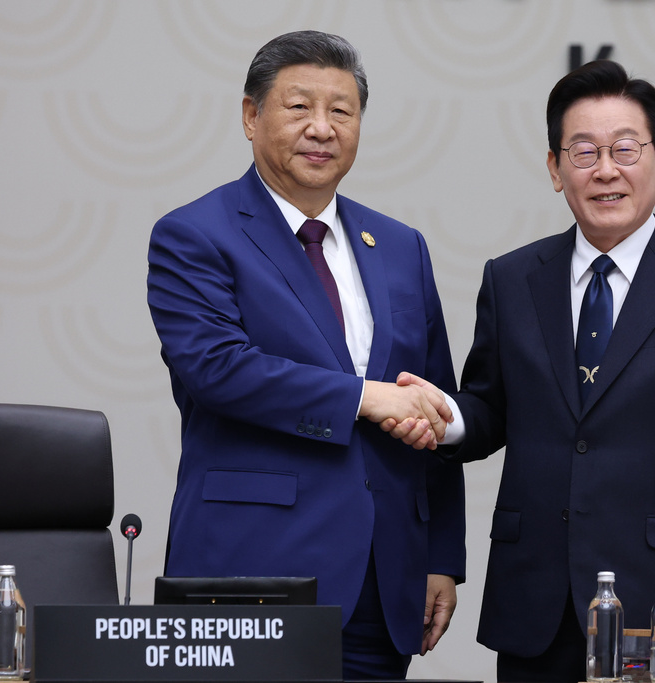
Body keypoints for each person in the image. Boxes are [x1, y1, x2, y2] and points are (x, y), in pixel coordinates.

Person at [387, 59, 655, 681]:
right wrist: (444, 419)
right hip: (534, 600)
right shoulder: (513, 279)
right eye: (584, 152)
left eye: (626, 148)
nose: (606, 170)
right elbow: (491, 405)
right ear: (554, 169)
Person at [146, 30, 465, 680]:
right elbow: (218, 367)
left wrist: (440, 555)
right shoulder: (195, 235)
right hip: (251, 574)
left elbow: (431, 404)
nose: (322, 128)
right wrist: (364, 397)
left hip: (383, 582)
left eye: (341, 111)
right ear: (250, 116)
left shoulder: (402, 246)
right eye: (299, 107)